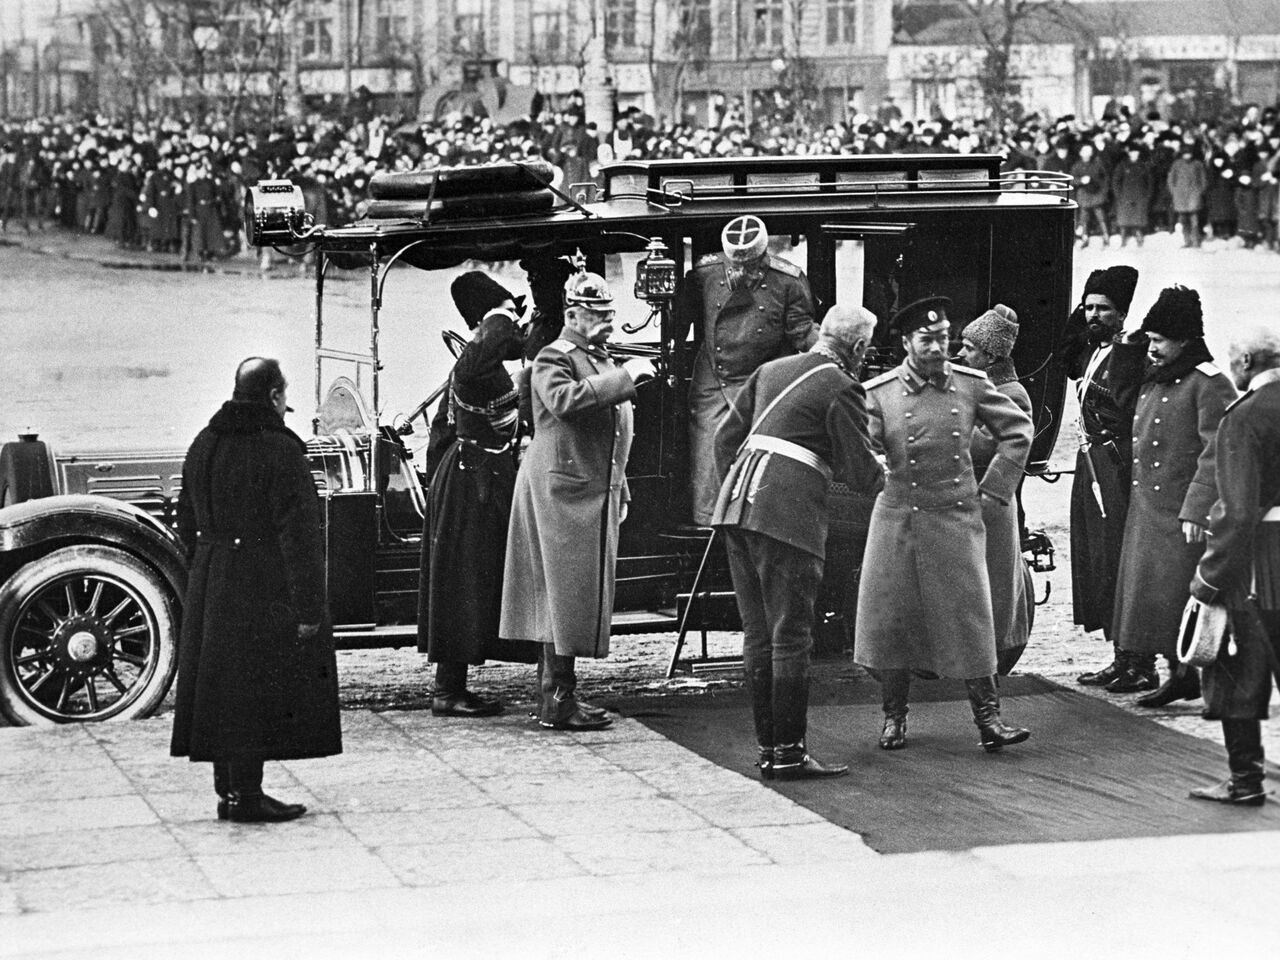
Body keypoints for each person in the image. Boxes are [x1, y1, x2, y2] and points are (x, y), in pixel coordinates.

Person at [854, 297, 1034, 753]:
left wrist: (995, 492)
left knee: (971, 617)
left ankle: (989, 719)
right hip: (897, 519)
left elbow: (1018, 432)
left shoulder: (972, 386)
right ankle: (894, 718)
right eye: (925, 339)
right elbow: (861, 444)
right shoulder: (879, 392)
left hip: (956, 517)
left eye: (942, 338)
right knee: (892, 619)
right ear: (906, 342)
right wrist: (874, 465)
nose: (937, 348)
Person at [712, 304, 884, 780]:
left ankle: (770, 748)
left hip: (736, 506)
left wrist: (740, 488)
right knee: (791, 635)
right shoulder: (842, 386)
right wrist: (894, 481)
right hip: (787, 515)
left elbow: (725, 440)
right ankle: (788, 753)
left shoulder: (771, 370)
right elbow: (859, 470)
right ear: (859, 348)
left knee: (759, 633)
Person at [170, 358, 341, 823]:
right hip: (261, 581)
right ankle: (247, 795)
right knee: (251, 685)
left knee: (221, 684)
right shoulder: (280, 451)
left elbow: (184, 519)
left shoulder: (203, 442)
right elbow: (300, 536)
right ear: (272, 397)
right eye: (285, 395)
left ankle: (230, 791)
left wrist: (208, 561)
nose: (288, 406)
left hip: (211, 575)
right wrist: (308, 607)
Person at [500, 270, 655, 731]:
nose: (607, 322)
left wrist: (619, 484)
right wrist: (626, 378)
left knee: (571, 596)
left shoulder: (596, 358)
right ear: (572, 315)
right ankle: (557, 699)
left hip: (587, 488)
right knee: (560, 596)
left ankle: (560, 695)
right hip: (562, 491)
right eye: (597, 315)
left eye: (609, 314)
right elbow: (564, 402)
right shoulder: (554, 356)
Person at [417, 272, 538, 718]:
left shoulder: (479, 367)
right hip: (473, 483)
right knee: (464, 580)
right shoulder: (475, 366)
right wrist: (501, 317)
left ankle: (452, 687)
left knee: (469, 579)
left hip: (474, 477)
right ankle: (448, 692)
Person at [1112, 287, 1236, 701]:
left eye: (1159, 341)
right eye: (1150, 339)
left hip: (1183, 513)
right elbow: (1121, 392)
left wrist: (1198, 509)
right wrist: (1130, 345)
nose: (1152, 348)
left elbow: (1219, 451)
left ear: (1184, 340)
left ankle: (1200, 675)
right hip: (1149, 509)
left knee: (1182, 595)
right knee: (1157, 599)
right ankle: (1178, 674)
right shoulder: (1157, 377)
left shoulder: (1209, 384)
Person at [1187, 326, 1280, 806]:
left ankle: (1245, 781)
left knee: (1237, 670)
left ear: (1245, 361)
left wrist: (1208, 576)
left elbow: (1237, 510)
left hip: (1260, 564)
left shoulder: (1244, 417)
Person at [675, 215, 817, 526]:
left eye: (751, 266)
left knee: (759, 462)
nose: (742, 272)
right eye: (736, 265)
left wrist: (830, 349)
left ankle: (751, 528)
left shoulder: (788, 280)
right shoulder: (705, 274)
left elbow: (801, 328)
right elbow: (680, 320)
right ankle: (707, 528)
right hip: (713, 377)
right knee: (708, 457)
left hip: (761, 378)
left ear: (764, 256)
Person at [1063, 266, 1148, 687]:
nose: (1094, 315)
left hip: (1115, 467)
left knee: (1118, 555)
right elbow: (1065, 351)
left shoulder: (1130, 353)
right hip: (1090, 463)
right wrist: (1083, 316)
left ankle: (1140, 662)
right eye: (1089, 307)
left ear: (1122, 314)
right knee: (1098, 557)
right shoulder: (1091, 350)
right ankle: (1120, 656)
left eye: (1104, 309)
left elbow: (1128, 407)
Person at [958, 304, 1034, 674]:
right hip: (977, 499)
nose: (961, 354)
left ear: (989, 356)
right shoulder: (987, 388)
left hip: (990, 502)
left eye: (969, 348)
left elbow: (986, 446)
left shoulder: (1010, 394)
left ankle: (992, 657)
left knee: (993, 585)